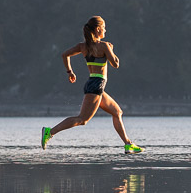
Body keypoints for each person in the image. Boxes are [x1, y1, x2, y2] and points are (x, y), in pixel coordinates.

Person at [42, 15, 142, 153]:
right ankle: (50, 131)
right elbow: (116, 64)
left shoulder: (83, 46)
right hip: (97, 85)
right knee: (82, 120)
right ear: (98, 29)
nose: (105, 31)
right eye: (104, 28)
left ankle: (128, 144)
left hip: (94, 83)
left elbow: (65, 55)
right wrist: (111, 50)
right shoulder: (104, 46)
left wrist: (70, 72)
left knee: (117, 112)